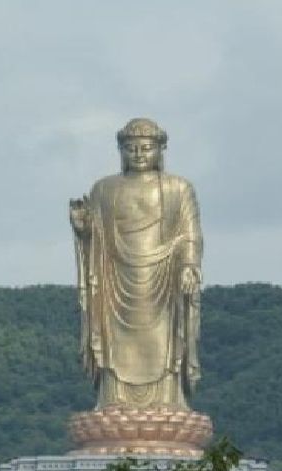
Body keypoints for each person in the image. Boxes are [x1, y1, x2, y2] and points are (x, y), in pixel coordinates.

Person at [70, 118, 203, 411]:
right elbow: (96, 237)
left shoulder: (178, 188)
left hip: (165, 276)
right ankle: (112, 398)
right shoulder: (104, 189)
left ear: (160, 150)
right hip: (114, 277)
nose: (139, 154)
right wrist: (83, 230)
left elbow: (191, 234)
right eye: (131, 148)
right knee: (114, 341)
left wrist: (189, 265)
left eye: (145, 148)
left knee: (165, 340)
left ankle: (168, 398)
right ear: (121, 151)